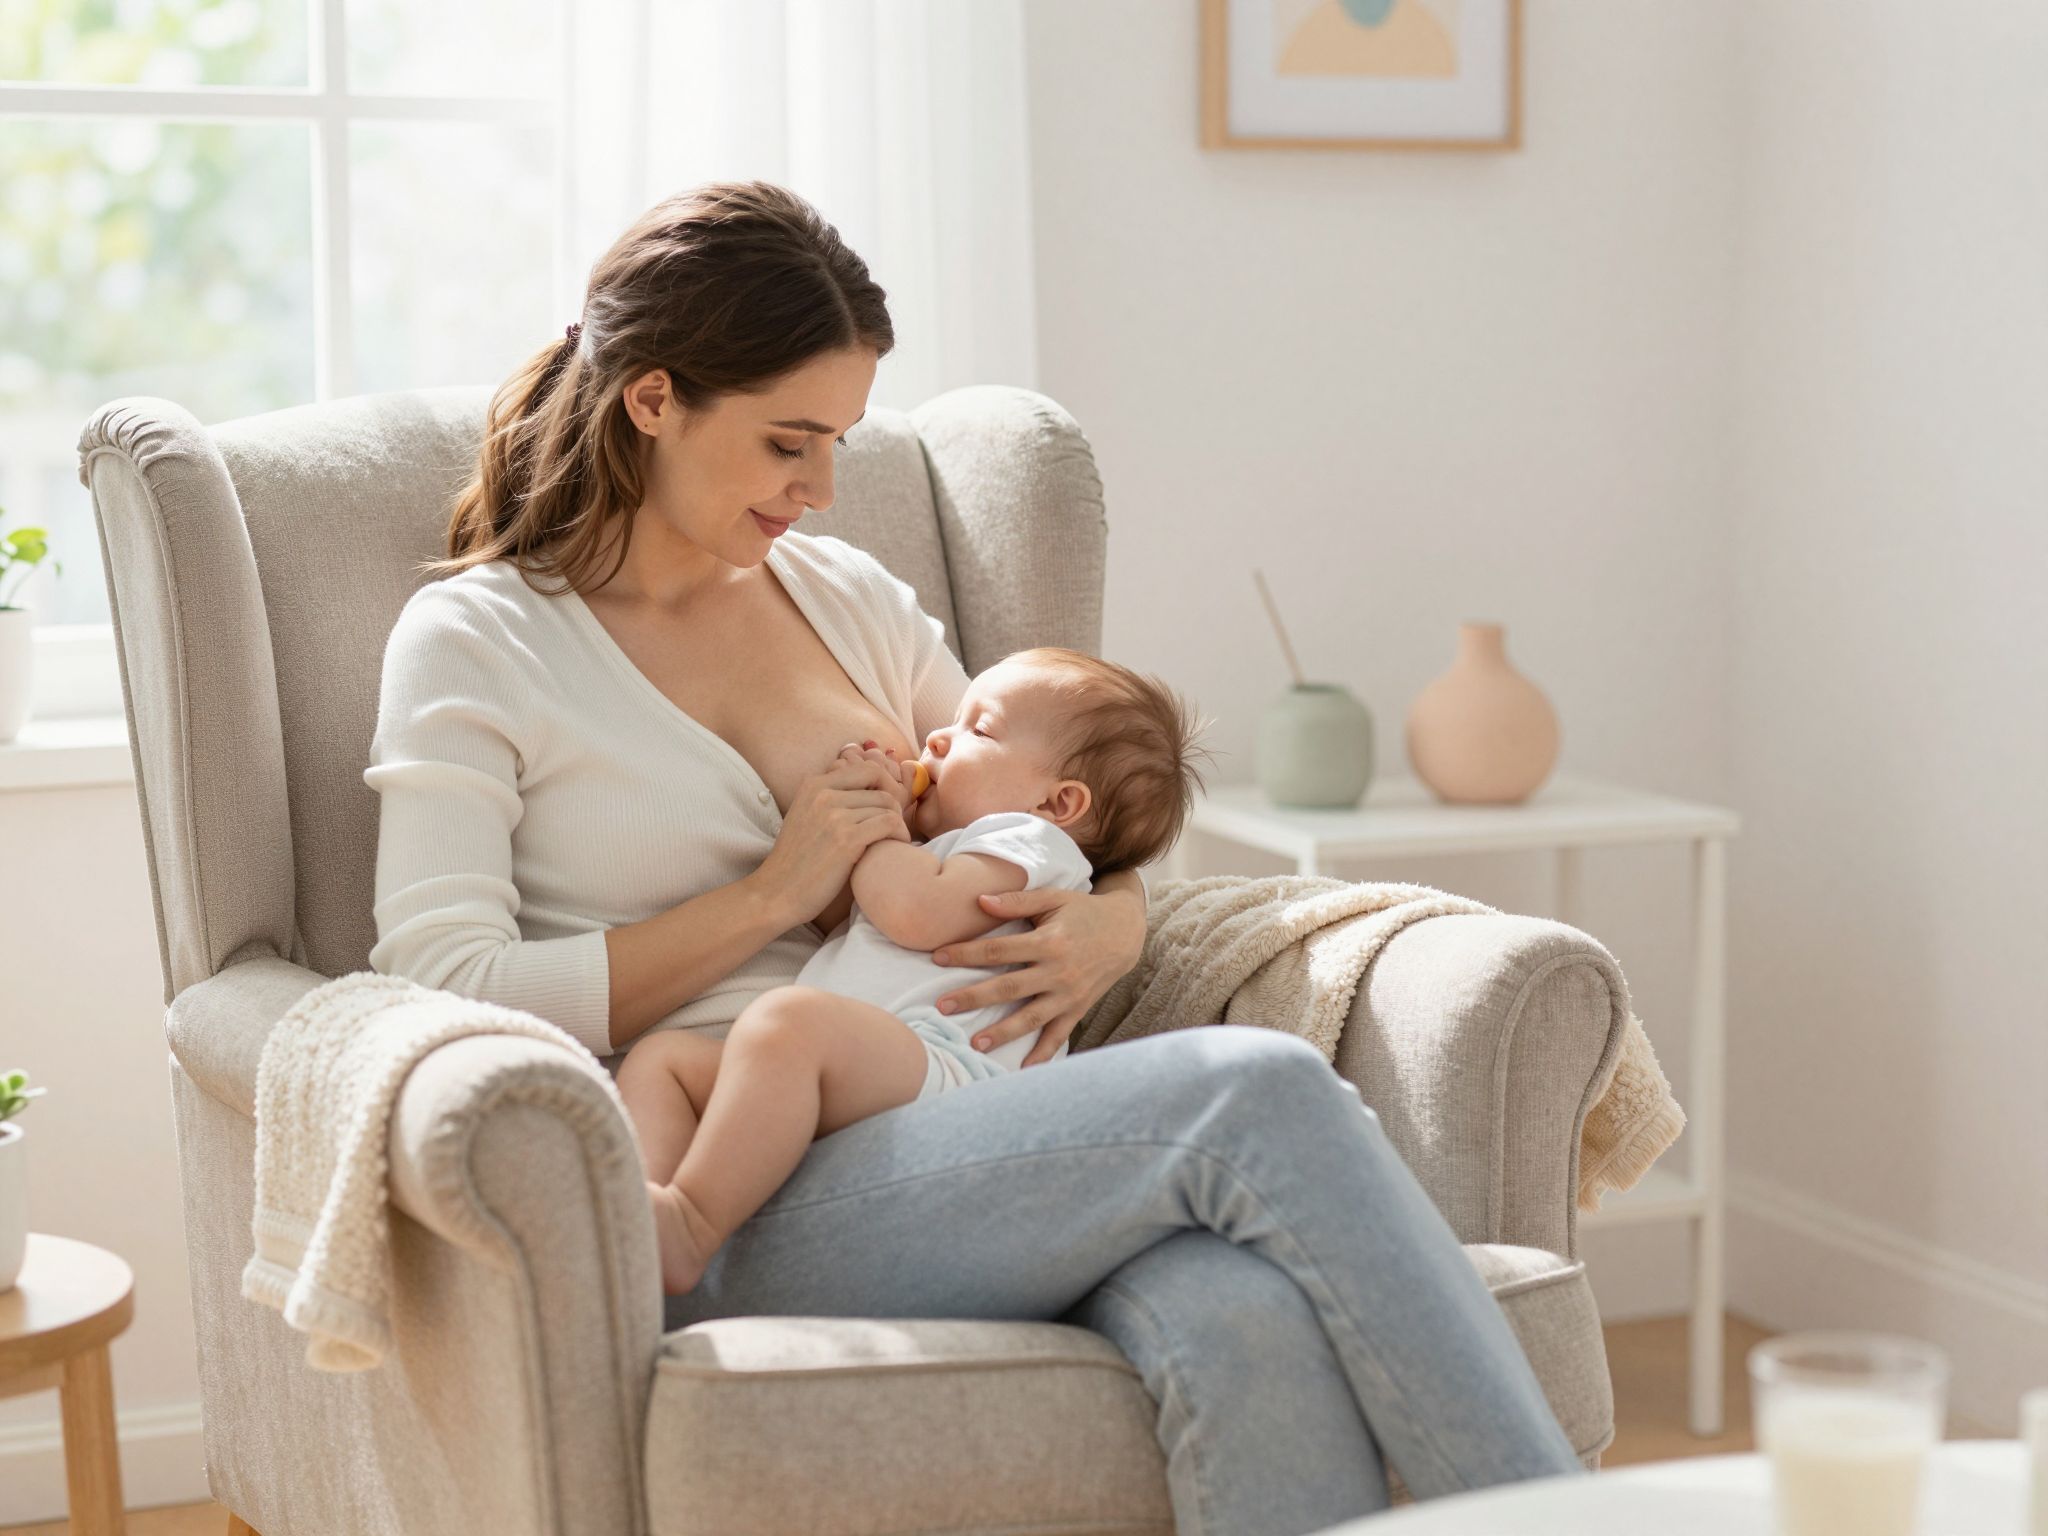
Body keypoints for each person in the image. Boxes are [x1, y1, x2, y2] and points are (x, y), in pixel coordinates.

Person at [365, 179, 1587, 1533]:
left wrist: (1114, 925)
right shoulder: (479, 642)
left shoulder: (845, 599)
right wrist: (773, 895)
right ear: (652, 400)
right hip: (716, 1179)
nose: (821, 490)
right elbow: (441, 979)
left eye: (838, 442)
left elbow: (1054, 819)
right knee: (1252, 1091)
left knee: (1236, 1309)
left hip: (959, 1130)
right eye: (787, 443)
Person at [618, 646, 1211, 1294]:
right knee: (666, 1060)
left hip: (955, 1079)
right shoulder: (961, 845)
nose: (938, 736)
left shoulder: (1031, 844)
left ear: (1058, 803)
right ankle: (643, 1212)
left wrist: (871, 824)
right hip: (879, 1069)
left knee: (790, 1024)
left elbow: (914, 910)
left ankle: (693, 1223)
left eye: (978, 729)